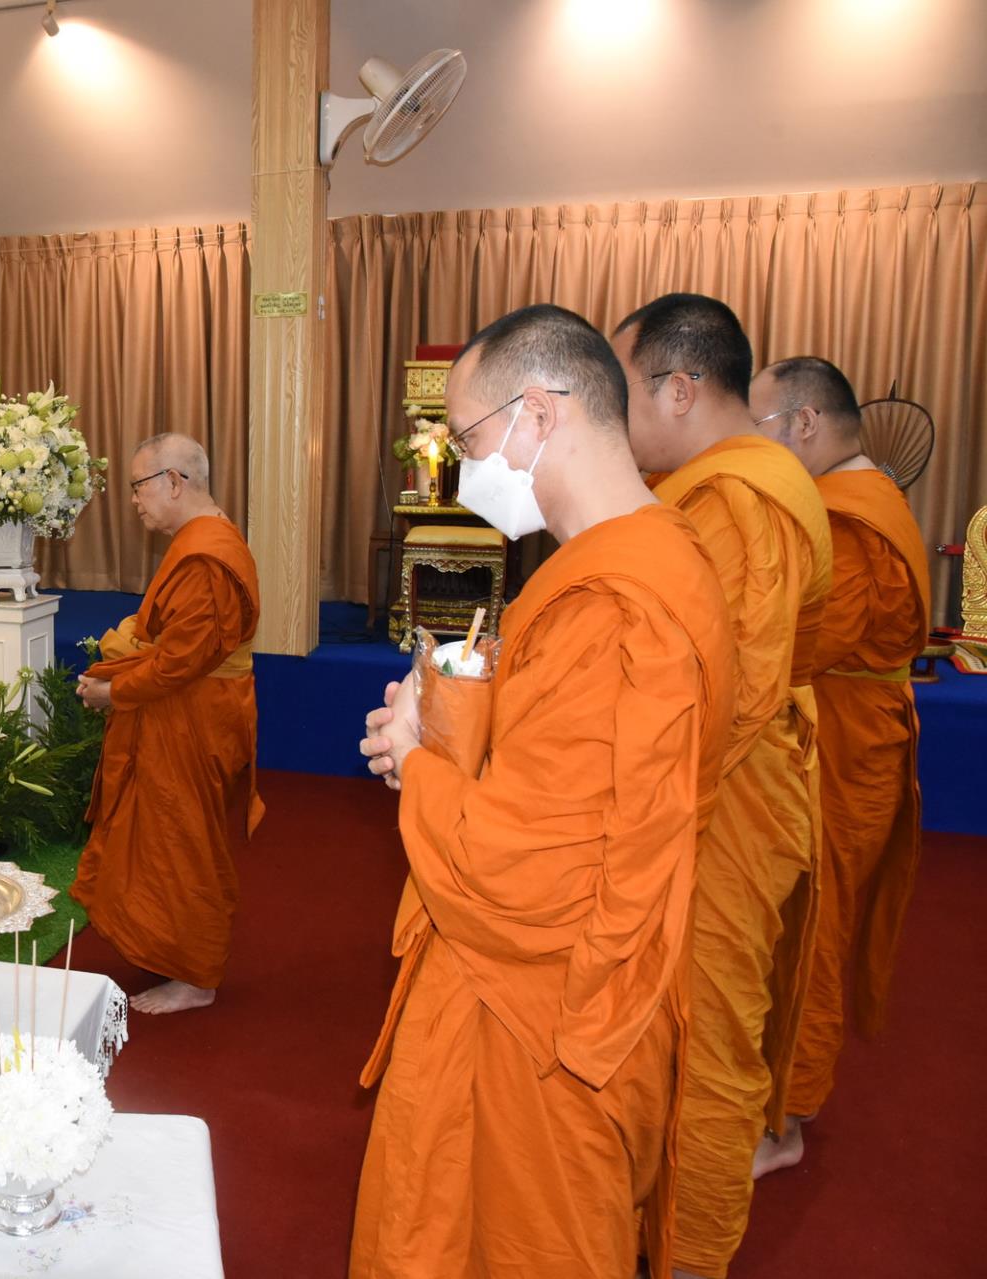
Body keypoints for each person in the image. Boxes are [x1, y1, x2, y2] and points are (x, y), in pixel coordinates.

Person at [354, 304, 735, 1278]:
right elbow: (564, 759)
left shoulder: (619, 605)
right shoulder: (652, 557)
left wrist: (419, 761)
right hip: (567, 985)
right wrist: (441, 712)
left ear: (537, 413)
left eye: (467, 439)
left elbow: (522, 873)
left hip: (541, 1014)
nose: (461, 468)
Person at [611, 294, 832, 1279]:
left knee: (708, 1046)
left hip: (726, 795)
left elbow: (726, 694)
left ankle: (690, 1260)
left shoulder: (745, 497)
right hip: (719, 784)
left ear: (681, 388)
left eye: (622, 391)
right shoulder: (723, 484)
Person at [745, 356, 930, 1177]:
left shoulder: (855, 522)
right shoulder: (856, 498)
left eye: (761, 425)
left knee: (812, 930)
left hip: (848, 744)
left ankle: (783, 1118)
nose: (757, 442)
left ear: (806, 422)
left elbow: (806, 640)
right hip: (840, 727)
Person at [69, 433, 261, 1016]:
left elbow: (181, 662)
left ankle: (195, 976)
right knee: (166, 834)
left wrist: (114, 691)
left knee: (185, 840)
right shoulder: (200, 540)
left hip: (194, 716)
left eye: (138, 486)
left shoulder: (208, 556)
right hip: (183, 708)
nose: (133, 500)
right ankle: (170, 948)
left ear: (175, 482)